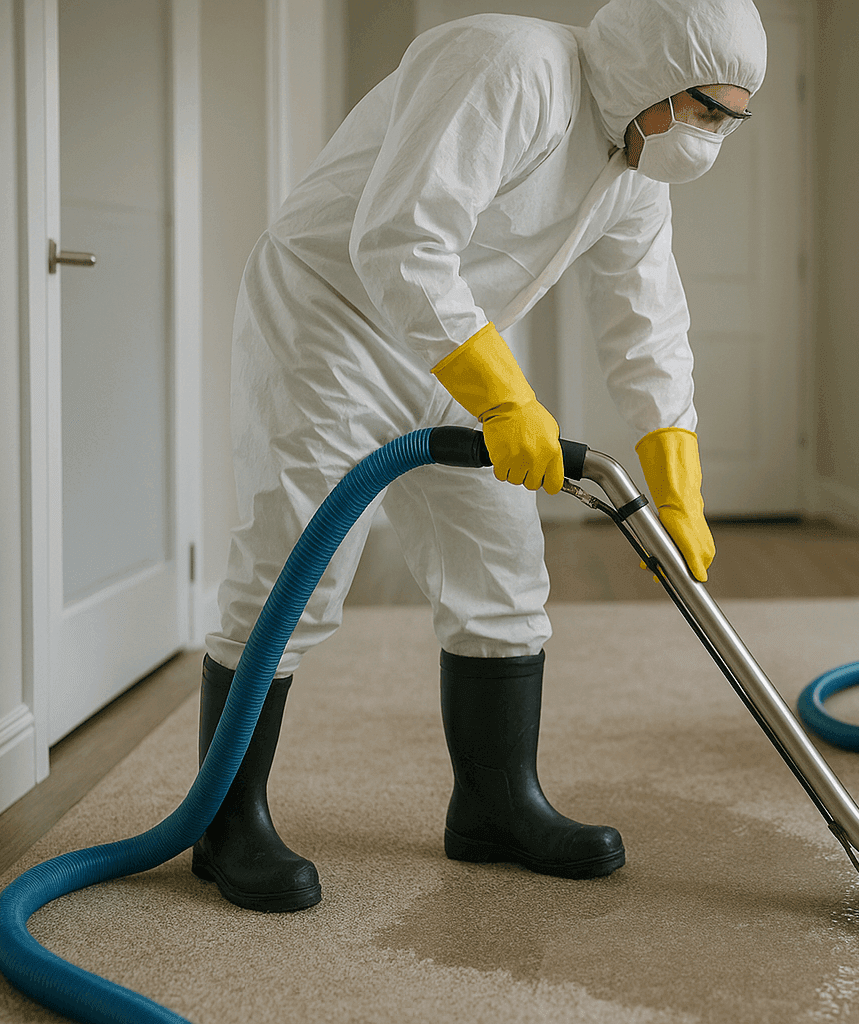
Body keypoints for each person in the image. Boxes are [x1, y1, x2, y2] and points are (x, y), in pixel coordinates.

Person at [195, 0, 766, 913]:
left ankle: (496, 806)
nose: (713, 136)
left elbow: (645, 319)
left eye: (733, 119)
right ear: (655, 72)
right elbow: (400, 237)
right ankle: (223, 824)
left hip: (451, 341)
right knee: (298, 564)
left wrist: (678, 477)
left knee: (501, 567)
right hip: (330, 316)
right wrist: (507, 398)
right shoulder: (510, 65)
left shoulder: (633, 162)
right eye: (707, 109)